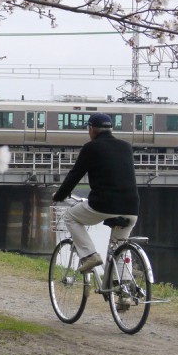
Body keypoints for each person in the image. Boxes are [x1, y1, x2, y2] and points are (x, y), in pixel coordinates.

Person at [52, 113, 140, 274]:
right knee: (120, 245)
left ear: (91, 129)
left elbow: (75, 175)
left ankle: (90, 255)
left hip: (103, 204)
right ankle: (124, 291)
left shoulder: (91, 147)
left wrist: (59, 196)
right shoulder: (126, 146)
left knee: (70, 217)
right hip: (131, 207)